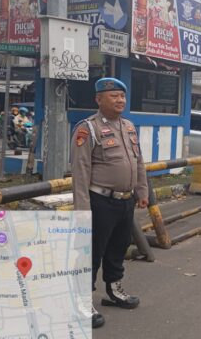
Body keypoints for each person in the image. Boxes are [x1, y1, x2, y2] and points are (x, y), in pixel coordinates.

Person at [71, 77, 149, 328]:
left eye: (122, 96)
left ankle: (114, 290)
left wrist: (142, 190)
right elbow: (80, 171)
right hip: (100, 202)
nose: (120, 100)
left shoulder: (128, 126)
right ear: (99, 99)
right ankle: (82, 301)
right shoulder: (88, 129)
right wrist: (82, 210)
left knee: (118, 248)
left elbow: (138, 161)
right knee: (91, 253)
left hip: (125, 201)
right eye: (114, 96)